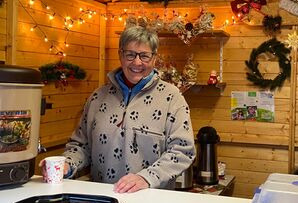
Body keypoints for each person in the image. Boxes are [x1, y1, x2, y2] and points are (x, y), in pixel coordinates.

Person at [41, 26, 195, 193]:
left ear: (154, 58)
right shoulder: (98, 97)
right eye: (130, 54)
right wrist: (67, 163)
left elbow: (182, 150)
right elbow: (81, 145)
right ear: (120, 55)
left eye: (144, 56)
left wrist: (146, 178)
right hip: (103, 200)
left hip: (152, 201)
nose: (137, 62)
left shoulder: (172, 98)